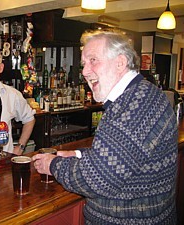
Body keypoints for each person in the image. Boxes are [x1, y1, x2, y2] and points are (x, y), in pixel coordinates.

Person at [33, 30, 178, 224]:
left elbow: (98, 180)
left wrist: (51, 165)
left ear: (120, 63)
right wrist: (79, 155)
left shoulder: (133, 105)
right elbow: (124, 157)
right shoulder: (138, 95)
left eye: (93, 60)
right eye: (84, 64)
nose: (84, 71)